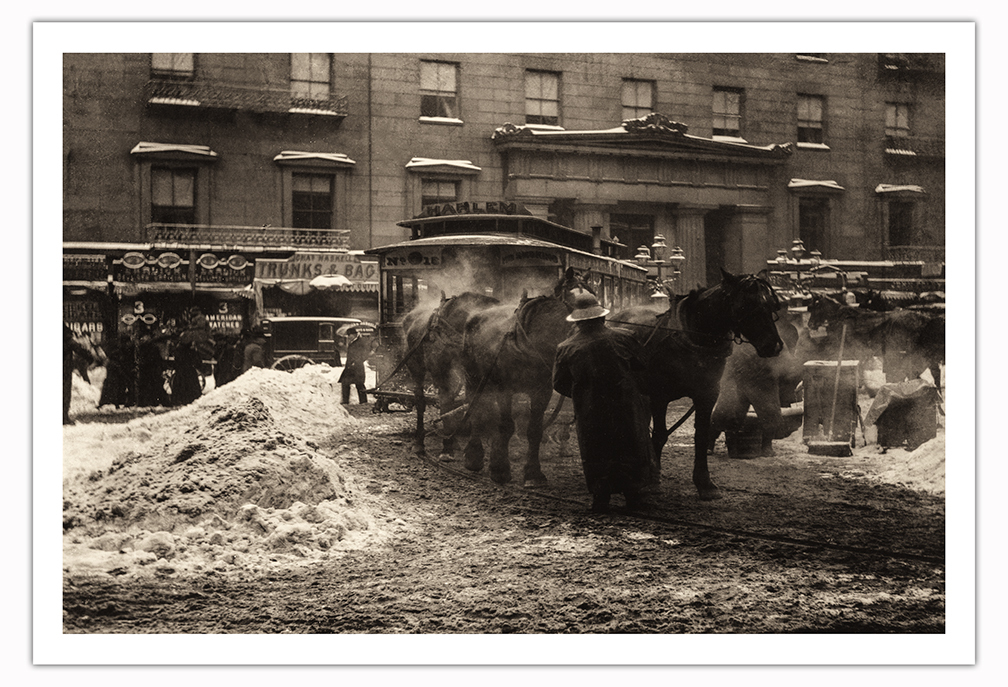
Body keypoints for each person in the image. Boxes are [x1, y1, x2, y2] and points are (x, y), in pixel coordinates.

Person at [552, 291, 660, 513]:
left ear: (578, 322)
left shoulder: (566, 347)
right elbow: (642, 364)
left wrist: (583, 395)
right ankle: (633, 497)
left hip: (590, 409)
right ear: (601, 317)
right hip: (625, 405)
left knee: (595, 450)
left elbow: (559, 383)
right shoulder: (624, 337)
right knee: (630, 445)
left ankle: (601, 498)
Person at [63, 324, 95, 425]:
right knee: (64, 392)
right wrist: (90, 357)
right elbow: (77, 347)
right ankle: (63, 417)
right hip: (64, 369)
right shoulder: (66, 338)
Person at [339, 327, 373, 405]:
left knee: (359, 384)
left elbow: (365, 354)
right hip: (349, 367)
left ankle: (363, 401)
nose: (348, 337)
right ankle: (345, 401)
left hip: (357, 367)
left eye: (349, 335)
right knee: (345, 383)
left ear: (354, 334)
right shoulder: (352, 342)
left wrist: (357, 361)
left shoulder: (360, 342)